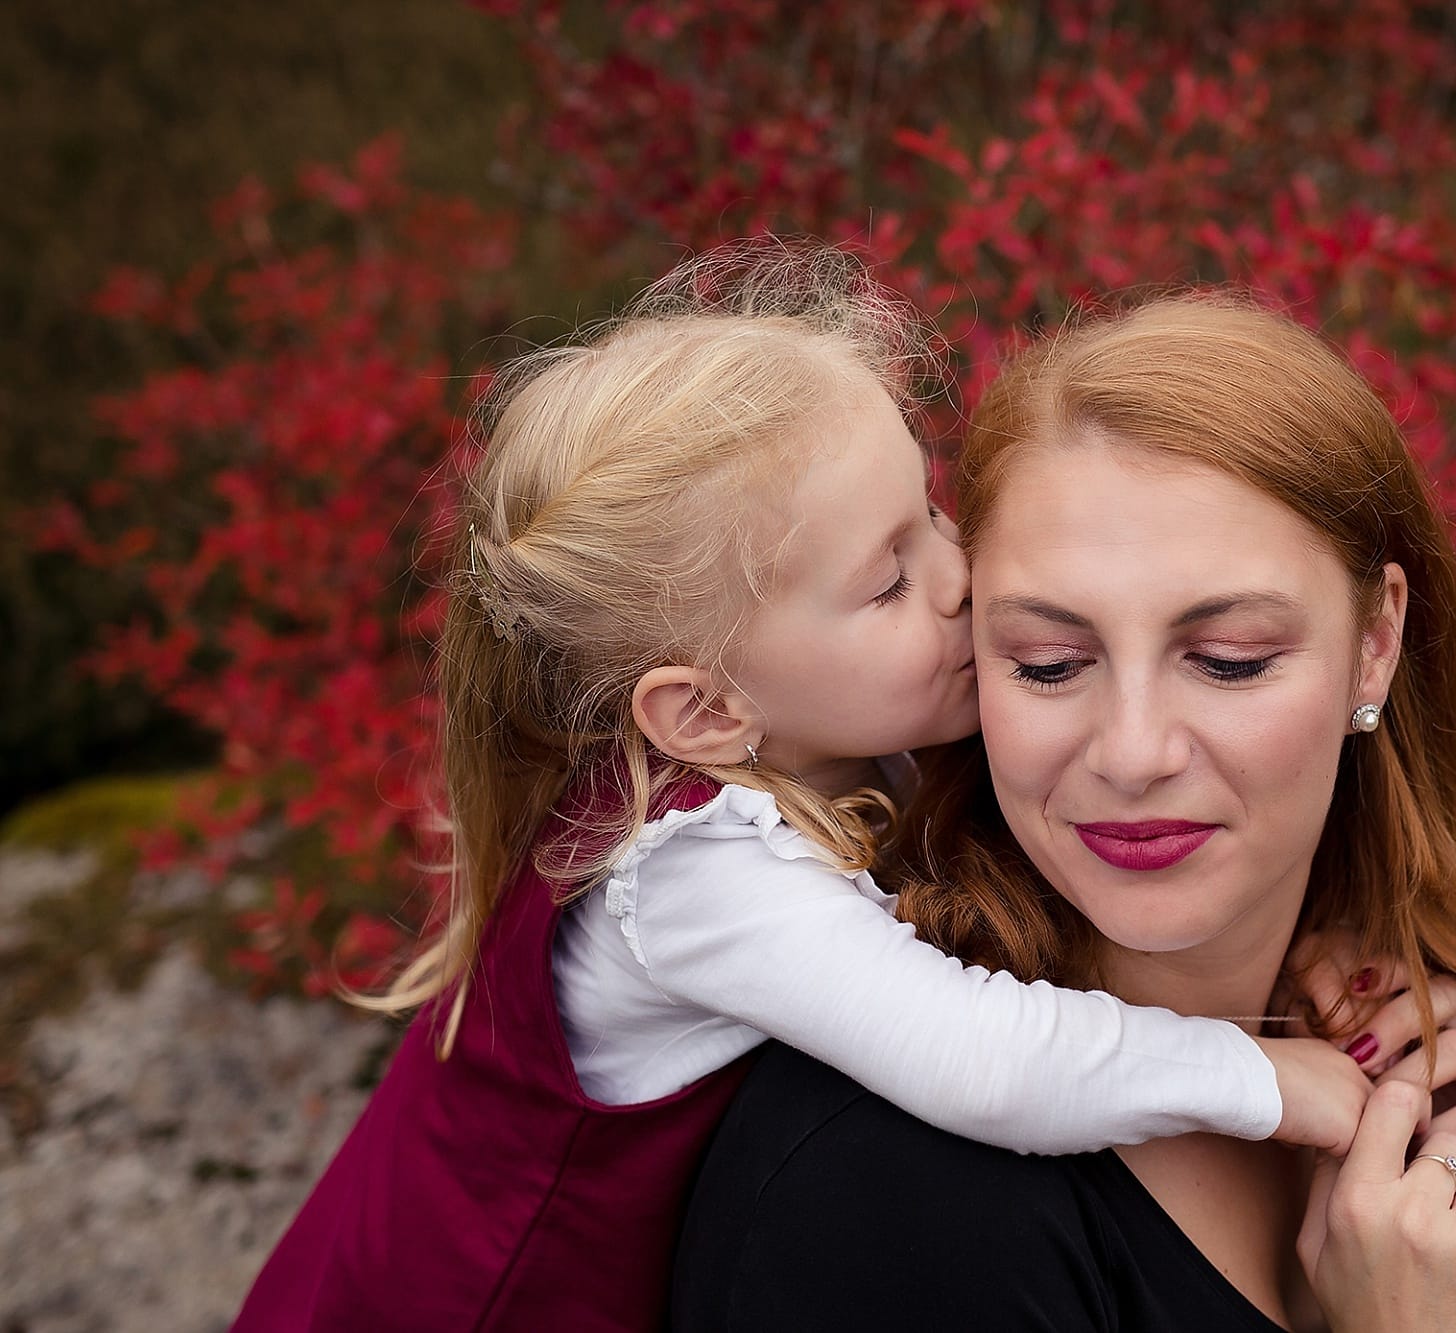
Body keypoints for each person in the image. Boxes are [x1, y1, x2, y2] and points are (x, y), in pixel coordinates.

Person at [233, 250, 1386, 1333]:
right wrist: (1264, 1079)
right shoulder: (698, 873)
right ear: (705, 715)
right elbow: (978, 1057)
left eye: (932, 515)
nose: (961, 585)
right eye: (889, 581)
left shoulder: (821, 736)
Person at [671, 294, 1456, 1331]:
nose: (1133, 752)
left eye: (1227, 660)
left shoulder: (1395, 1084)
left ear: (1374, 642)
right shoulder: (886, 1188)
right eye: (1049, 665)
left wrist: (1450, 1219)